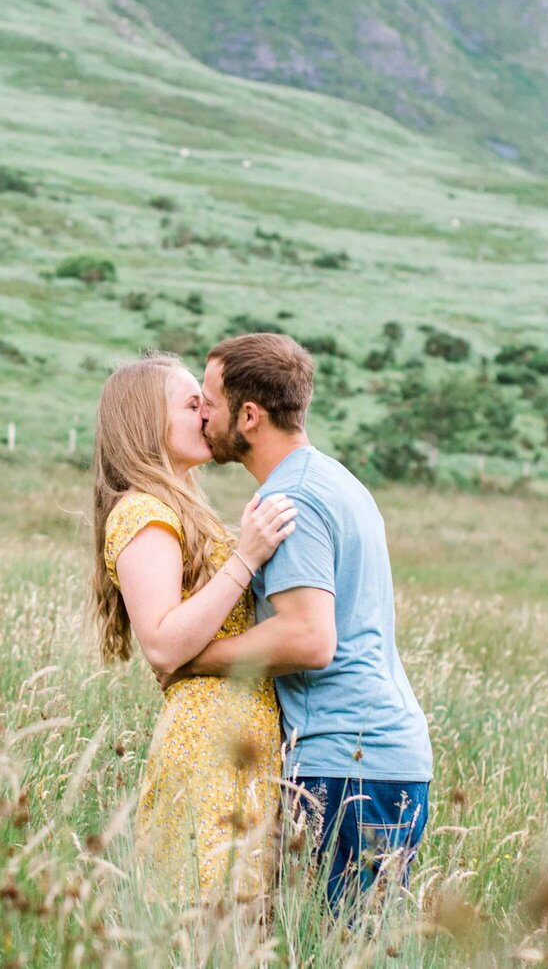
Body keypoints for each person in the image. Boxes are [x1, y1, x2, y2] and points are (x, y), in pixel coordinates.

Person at [169, 332, 433, 910]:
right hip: (377, 762)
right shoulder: (332, 480)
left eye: (209, 400)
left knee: (333, 947)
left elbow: (310, 638)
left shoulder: (294, 501)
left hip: (348, 766)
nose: (202, 413)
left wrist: (196, 660)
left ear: (249, 415)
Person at [88, 352, 298, 904]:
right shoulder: (143, 514)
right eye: (192, 404)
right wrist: (246, 557)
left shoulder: (180, 506)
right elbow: (161, 643)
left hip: (236, 738)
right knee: (207, 922)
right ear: (147, 423)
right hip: (206, 740)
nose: (208, 413)